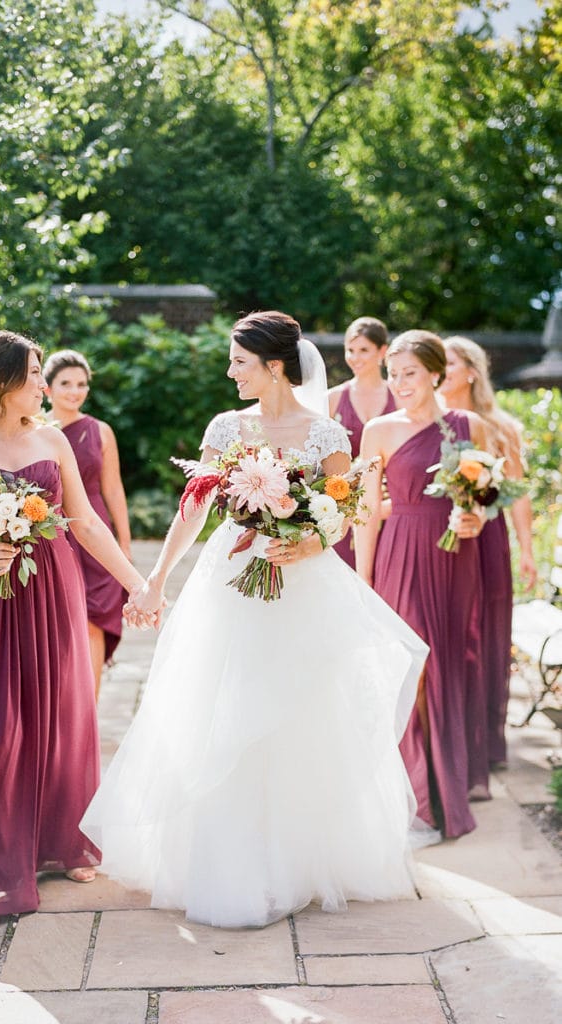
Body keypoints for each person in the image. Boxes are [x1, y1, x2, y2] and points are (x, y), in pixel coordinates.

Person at [81, 310, 429, 929]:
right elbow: (195, 509)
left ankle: (297, 861)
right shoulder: (225, 426)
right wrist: (158, 577)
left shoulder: (326, 433)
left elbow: (342, 512)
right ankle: (229, 861)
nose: (229, 370)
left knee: (300, 711)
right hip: (233, 578)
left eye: (238, 361)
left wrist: (309, 544)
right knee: (223, 704)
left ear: (273, 367)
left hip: (301, 582)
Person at [0, 330, 157, 933]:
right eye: (31, 374)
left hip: (50, 588)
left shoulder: (52, 439)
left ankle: (59, 840)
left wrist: (138, 583)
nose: (40, 385)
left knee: (56, 713)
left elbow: (85, 523)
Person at [356, 330, 489, 839]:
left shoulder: (466, 425)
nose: (400, 383)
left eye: (410, 373)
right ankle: (413, 797)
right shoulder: (378, 430)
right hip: (401, 554)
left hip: (454, 558)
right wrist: (364, 578)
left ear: (437, 373)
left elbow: (477, 495)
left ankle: (447, 792)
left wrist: (473, 517)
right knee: (409, 671)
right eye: (393, 373)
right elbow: (367, 511)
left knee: (448, 667)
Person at [440, 335, 536, 773]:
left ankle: (487, 744)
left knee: (490, 635)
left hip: (489, 539)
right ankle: (448, 739)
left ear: (472, 371)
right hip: (438, 537)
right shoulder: (426, 420)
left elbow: (517, 495)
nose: (440, 371)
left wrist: (527, 552)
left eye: (450, 363)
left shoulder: (502, 426)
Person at [43, 349, 131, 697]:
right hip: (50, 531)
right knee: (56, 620)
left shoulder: (101, 431)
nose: (75, 391)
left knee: (95, 618)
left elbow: (113, 487)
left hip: (94, 529)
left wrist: (123, 543)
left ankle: (88, 711)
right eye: (66, 383)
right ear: (46, 388)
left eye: (81, 384)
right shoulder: (33, 430)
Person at [328, 317, 395, 567]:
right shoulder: (333, 399)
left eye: (364, 350)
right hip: (345, 510)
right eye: (350, 350)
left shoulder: (399, 397)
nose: (355, 357)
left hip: (391, 509)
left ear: (382, 351)